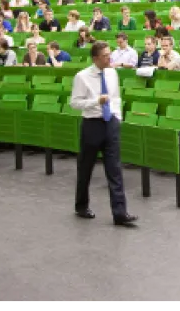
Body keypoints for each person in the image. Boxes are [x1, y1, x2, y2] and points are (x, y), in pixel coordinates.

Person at [70, 41, 137, 226]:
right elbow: (74, 103)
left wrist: (117, 118)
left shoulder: (112, 72)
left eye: (110, 54)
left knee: (114, 169)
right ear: (95, 58)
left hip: (110, 123)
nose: (110, 58)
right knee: (85, 167)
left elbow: (115, 98)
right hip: (92, 124)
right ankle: (81, 205)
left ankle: (120, 213)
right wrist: (95, 102)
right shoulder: (82, 77)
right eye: (106, 56)